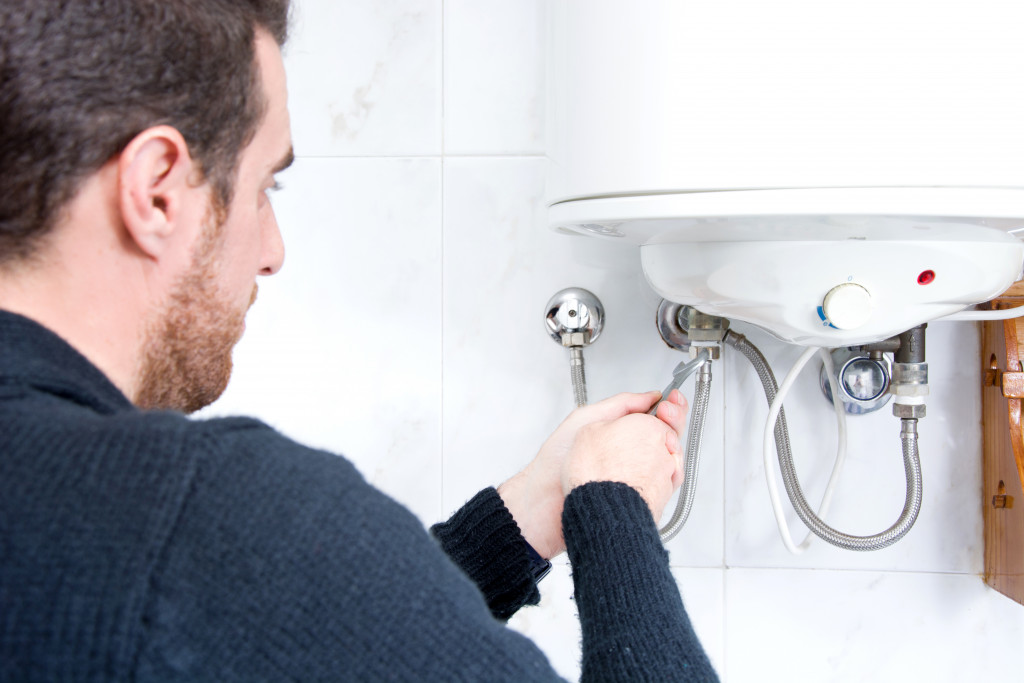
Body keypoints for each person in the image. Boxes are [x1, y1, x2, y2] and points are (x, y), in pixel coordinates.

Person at [0, 1, 718, 680]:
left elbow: (275, 636)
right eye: (263, 189)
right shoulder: (204, 518)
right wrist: (614, 507)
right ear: (157, 189)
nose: (272, 251)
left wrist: (529, 510)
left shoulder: (131, 550)